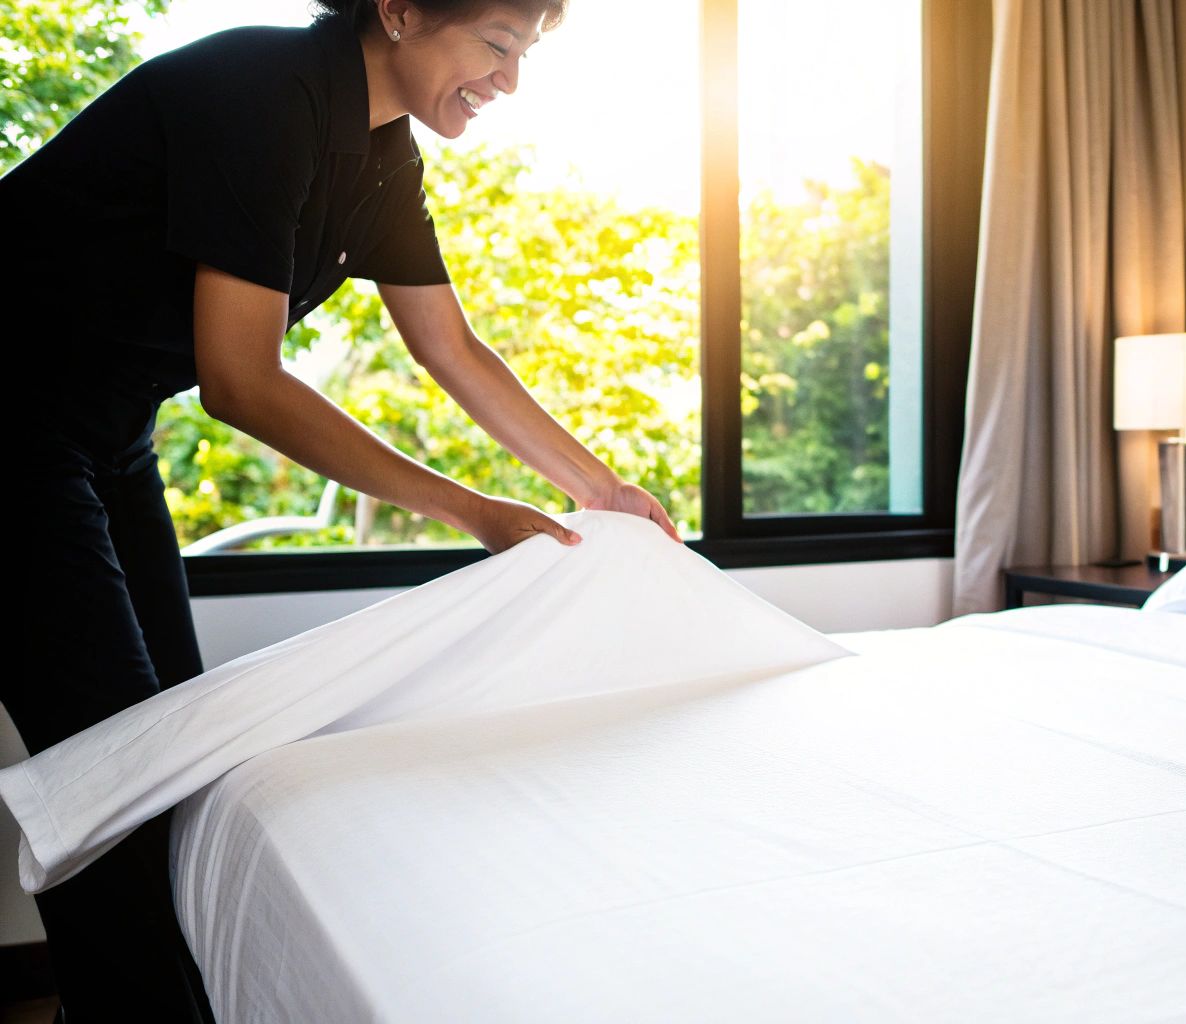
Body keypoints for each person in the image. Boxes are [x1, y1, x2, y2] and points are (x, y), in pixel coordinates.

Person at [1, 0, 683, 1018]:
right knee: (116, 778)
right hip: (6, 419)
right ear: (401, 13)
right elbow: (242, 380)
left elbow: (447, 346)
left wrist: (596, 487)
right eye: (497, 45)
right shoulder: (259, 95)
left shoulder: (377, 153)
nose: (510, 81)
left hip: (103, 426)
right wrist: (472, 509)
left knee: (170, 748)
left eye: (525, 53)